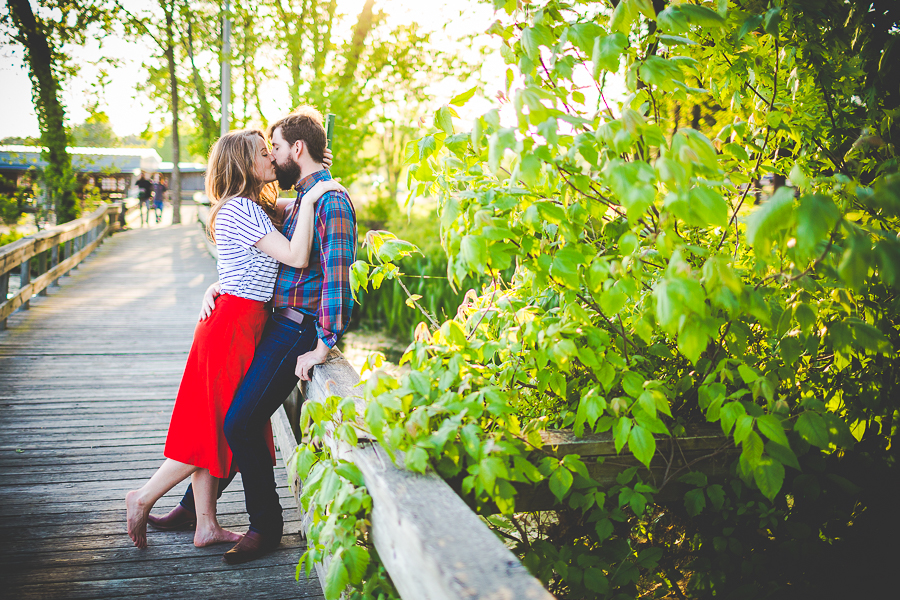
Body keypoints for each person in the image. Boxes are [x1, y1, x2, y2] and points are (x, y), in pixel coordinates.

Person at [147, 106, 357, 565]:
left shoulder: (329, 200)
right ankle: (191, 508)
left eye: (275, 148)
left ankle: (265, 524)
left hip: (296, 326)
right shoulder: (300, 198)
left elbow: (338, 279)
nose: (272, 156)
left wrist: (325, 342)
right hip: (267, 321)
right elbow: (250, 245)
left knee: (239, 421)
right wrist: (220, 282)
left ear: (295, 149)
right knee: (232, 415)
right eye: (267, 151)